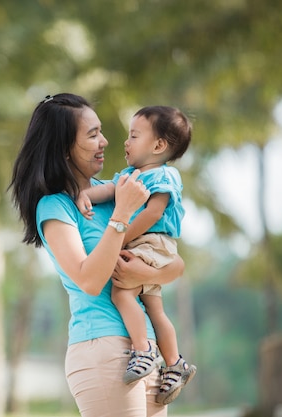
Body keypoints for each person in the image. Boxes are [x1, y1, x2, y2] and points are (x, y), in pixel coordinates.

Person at [9, 94, 185, 417]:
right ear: (64, 149)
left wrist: (143, 275)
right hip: (102, 347)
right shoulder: (55, 207)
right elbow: (89, 279)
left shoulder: (117, 190)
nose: (105, 141)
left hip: (146, 350)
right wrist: (122, 214)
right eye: (92, 135)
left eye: (100, 131)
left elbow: (175, 265)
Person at [75, 105, 197, 405]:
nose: (125, 143)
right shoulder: (130, 175)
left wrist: (120, 237)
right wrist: (82, 195)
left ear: (158, 146)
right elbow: (109, 191)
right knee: (155, 309)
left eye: (134, 136)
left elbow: (154, 213)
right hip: (147, 247)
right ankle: (175, 363)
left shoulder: (163, 176)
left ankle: (143, 351)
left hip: (154, 243)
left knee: (121, 295)